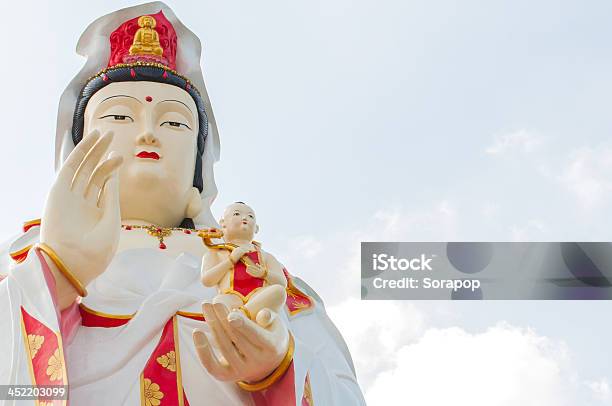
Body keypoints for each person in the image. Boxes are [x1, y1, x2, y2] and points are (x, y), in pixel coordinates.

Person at [0, 2, 366, 405]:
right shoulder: (22, 260)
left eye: (175, 123)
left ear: (198, 158)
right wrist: (53, 279)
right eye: (120, 116)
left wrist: (278, 371)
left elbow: (344, 392)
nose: (147, 134)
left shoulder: (253, 272)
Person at [201, 202, 287, 324]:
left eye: (250, 216)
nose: (245, 218)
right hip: (231, 297)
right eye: (237, 214)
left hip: (258, 296)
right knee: (219, 302)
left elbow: (282, 282)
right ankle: (259, 318)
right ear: (222, 223)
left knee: (278, 291)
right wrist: (230, 260)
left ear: (256, 228)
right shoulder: (216, 253)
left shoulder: (266, 256)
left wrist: (264, 274)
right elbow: (207, 280)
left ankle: (243, 314)